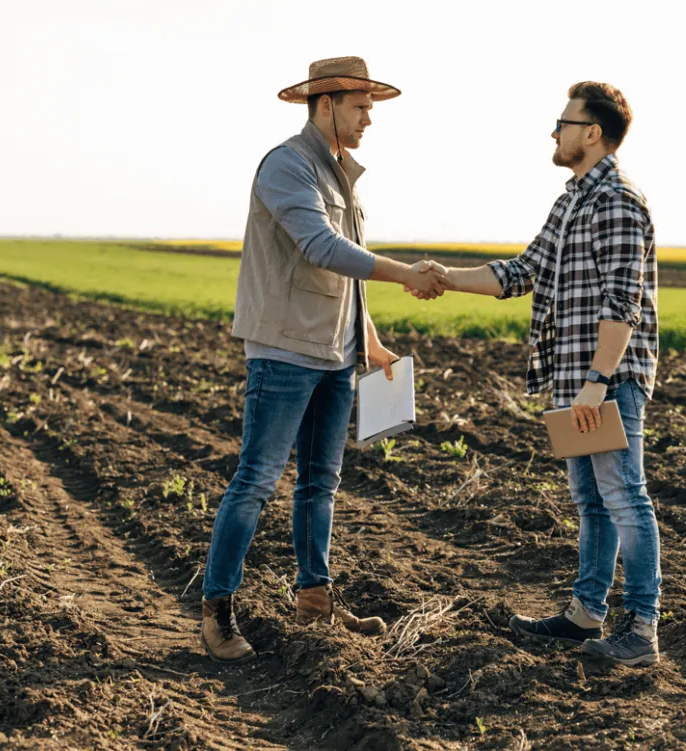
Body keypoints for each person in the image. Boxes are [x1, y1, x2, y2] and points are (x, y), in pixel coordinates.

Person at [200, 56, 452, 664]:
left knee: (321, 484)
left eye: (371, 107)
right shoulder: (287, 165)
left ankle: (314, 600)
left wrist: (369, 339)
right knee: (256, 481)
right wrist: (405, 274)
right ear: (325, 104)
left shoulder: (342, 174)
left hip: (336, 354)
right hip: (286, 351)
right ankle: (216, 612)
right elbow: (320, 246)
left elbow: (346, 273)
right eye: (361, 106)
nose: (370, 118)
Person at [417, 82, 661, 666]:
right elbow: (522, 271)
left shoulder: (619, 200)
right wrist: (444, 276)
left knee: (625, 496)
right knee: (592, 500)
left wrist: (598, 381)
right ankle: (585, 614)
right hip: (572, 375)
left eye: (563, 122)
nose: (554, 132)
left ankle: (643, 630)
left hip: (606, 380)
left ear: (592, 132)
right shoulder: (572, 198)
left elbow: (622, 303)